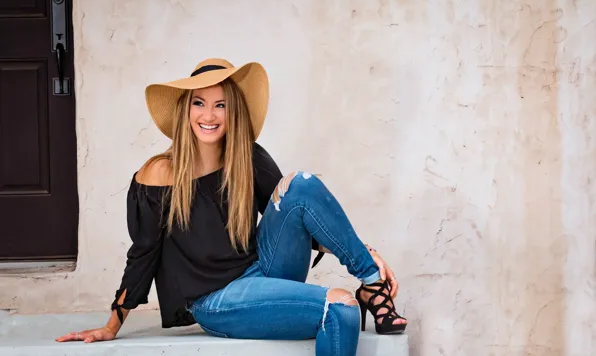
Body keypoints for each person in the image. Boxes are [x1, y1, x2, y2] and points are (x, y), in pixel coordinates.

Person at [55, 58, 407, 355]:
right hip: (217, 301)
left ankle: (372, 284)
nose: (209, 114)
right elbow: (143, 253)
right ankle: (366, 291)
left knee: (299, 184)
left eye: (220, 104)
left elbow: (301, 217)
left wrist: (367, 253)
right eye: (199, 102)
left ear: (232, 111)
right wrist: (112, 324)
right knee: (342, 308)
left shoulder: (247, 157)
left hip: (264, 274)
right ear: (185, 109)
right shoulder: (159, 174)